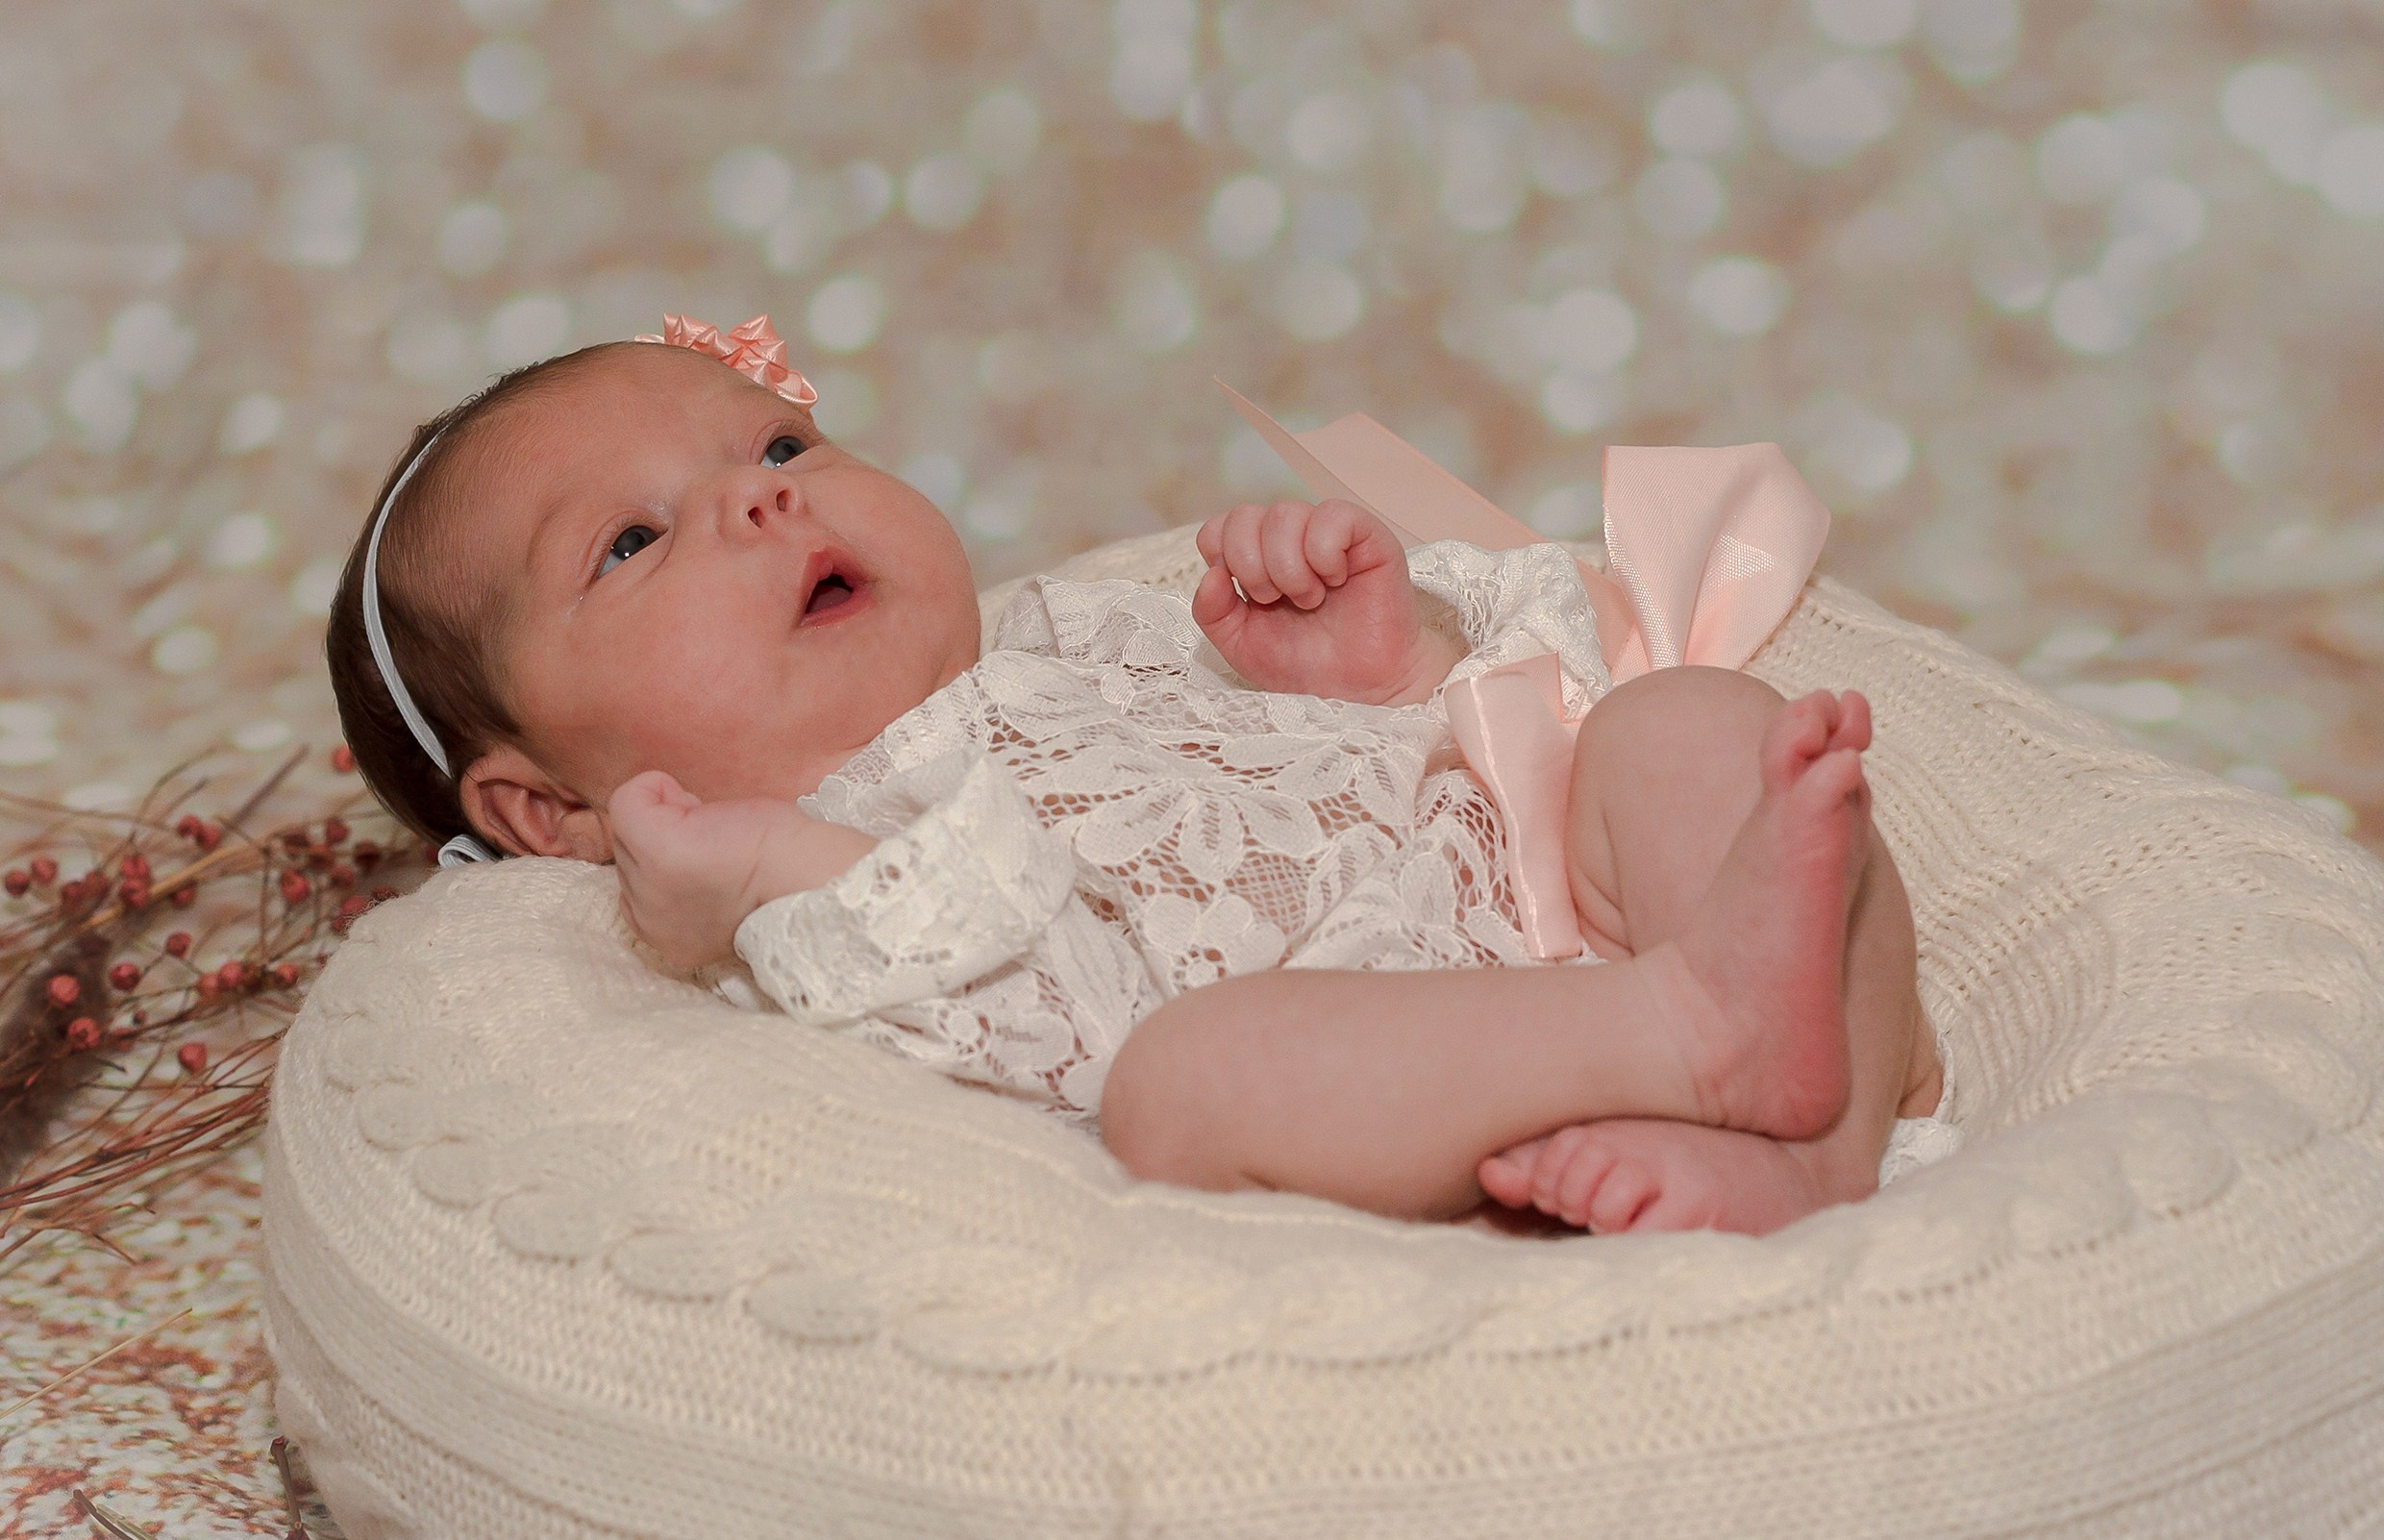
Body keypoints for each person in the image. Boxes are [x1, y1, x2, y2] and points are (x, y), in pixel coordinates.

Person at [326, 315, 1945, 1238]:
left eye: (778, 450)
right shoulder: (776, 860)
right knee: (1187, 1077)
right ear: (548, 809)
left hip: (1558, 911)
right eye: (630, 539)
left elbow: (1415, 759)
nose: (758, 504)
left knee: (1681, 721)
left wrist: (1384, 665)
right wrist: (737, 880)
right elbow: (1020, 989)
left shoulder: (1079, 624)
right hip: (1384, 1076)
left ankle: (1817, 1126)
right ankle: (1703, 1037)